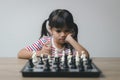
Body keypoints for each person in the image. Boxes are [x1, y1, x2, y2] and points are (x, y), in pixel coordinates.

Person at [18, 9, 89, 59]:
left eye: (66, 30)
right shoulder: (45, 41)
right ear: (50, 29)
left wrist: (72, 40)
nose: (63, 34)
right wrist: (40, 52)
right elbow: (20, 53)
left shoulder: (71, 45)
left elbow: (86, 56)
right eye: (58, 31)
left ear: (71, 30)